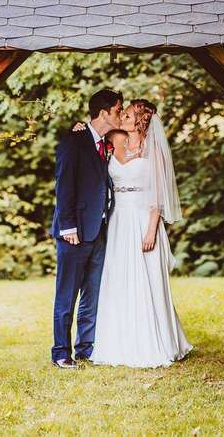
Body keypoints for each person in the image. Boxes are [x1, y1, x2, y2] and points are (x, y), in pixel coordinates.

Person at [76, 99, 192, 368]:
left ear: (140, 120)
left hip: (143, 219)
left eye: (127, 114)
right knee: (117, 276)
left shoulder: (154, 151)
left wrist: (152, 229)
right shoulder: (115, 140)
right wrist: (79, 128)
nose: (123, 117)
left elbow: (159, 194)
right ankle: (117, 340)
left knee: (148, 279)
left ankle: (156, 340)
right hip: (118, 220)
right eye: (123, 113)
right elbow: (93, 131)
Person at [50, 88, 123, 368]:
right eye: (118, 109)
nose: (119, 114)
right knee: (66, 295)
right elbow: (64, 185)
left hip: (99, 230)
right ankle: (60, 352)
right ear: (104, 113)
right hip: (75, 232)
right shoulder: (74, 141)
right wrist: (67, 225)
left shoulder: (106, 143)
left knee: (92, 294)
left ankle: (85, 348)